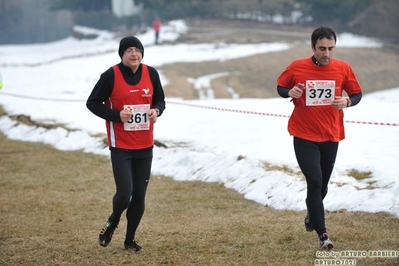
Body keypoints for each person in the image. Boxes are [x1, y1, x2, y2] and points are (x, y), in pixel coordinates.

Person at [276, 26, 362, 250]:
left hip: (331, 135)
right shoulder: (297, 66)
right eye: (322, 48)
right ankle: (323, 235)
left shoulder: (343, 68)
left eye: (331, 48)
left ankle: (312, 214)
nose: (327, 53)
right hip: (304, 134)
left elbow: (357, 94)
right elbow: (281, 86)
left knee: (322, 187)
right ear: (313, 47)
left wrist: (347, 102)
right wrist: (290, 92)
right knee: (314, 181)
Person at [86, 35, 166, 252]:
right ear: (122, 54)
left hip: (144, 145)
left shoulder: (151, 73)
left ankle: (129, 240)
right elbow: (92, 103)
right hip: (121, 146)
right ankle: (113, 220)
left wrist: (155, 111)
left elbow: (160, 100)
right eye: (129, 50)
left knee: (139, 195)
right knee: (124, 194)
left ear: (142, 53)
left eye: (137, 50)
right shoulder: (110, 75)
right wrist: (115, 115)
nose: (134, 54)